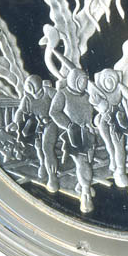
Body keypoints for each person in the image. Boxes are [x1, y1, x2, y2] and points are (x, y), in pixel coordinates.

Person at [49, 68, 96, 213]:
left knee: (88, 160)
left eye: (86, 80)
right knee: (82, 161)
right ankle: (86, 193)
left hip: (87, 133)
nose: (85, 83)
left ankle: (81, 184)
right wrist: (68, 125)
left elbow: (91, 114)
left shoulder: (87, 96)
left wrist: (91, 125)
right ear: (74, 80)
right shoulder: (62, 94)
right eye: (82, 80)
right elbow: (54, 112)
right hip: (73, 134)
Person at [90, 69, 128, 188]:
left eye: (111, 79)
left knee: (118, 144)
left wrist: (124, 111)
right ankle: (113, 160)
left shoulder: (119, 87)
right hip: (104, 120)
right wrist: (99, 106)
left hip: (117, 119)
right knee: (108, 143)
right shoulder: (99, 90)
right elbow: (94, 103)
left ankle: (120, 171)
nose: (109, 83)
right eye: (107, 80)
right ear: (102, 80)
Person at [8, 75, 59, 193]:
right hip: (36, 125)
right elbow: (20, 111)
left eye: (31, 85)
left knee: (47, 148)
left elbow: (61, 101)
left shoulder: (49, 92)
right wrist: (15, 122)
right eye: (28, 86)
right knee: (38, 147)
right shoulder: (27, 98)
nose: (30, 88)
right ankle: (42, 164)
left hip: (51, 123)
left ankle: (52, 177)